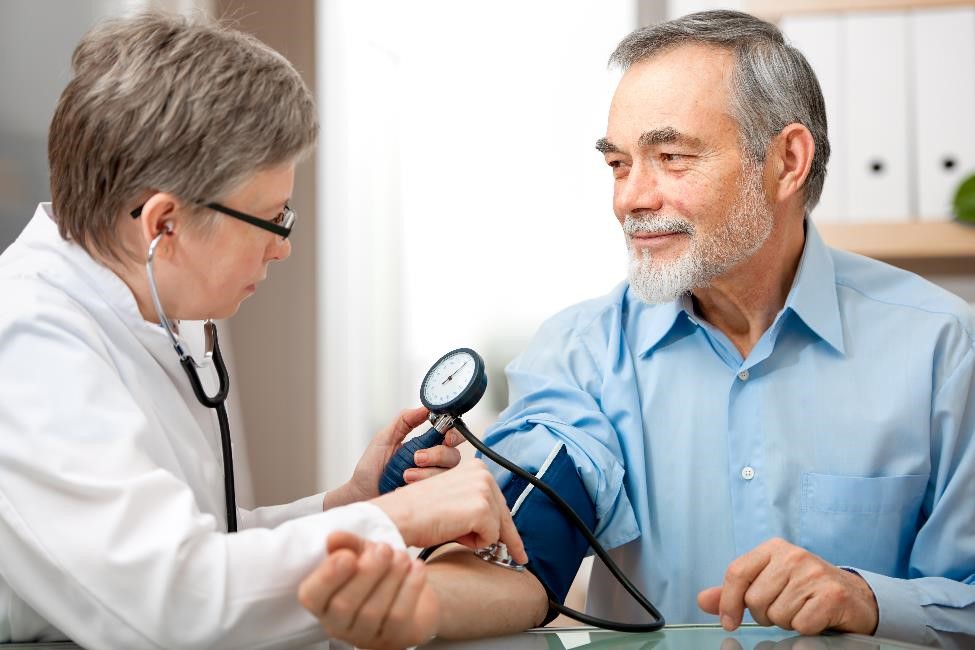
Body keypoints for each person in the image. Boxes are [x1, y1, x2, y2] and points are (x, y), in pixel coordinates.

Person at [299, 9, 975, 649]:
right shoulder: (579, 354)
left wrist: (867, 599)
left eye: (672, 158)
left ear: (786, 162)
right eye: (617, 164)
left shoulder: (942, 348)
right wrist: (416, 599)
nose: (630, 198)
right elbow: (527, 551)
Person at [0, 12, 525, 649]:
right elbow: (176, 603)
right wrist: (398, 518)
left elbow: (204, 547)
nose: (282, 250)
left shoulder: (134, 318)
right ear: (164, 223)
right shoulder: (29, 344)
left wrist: (351, 504)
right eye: (273, 220)